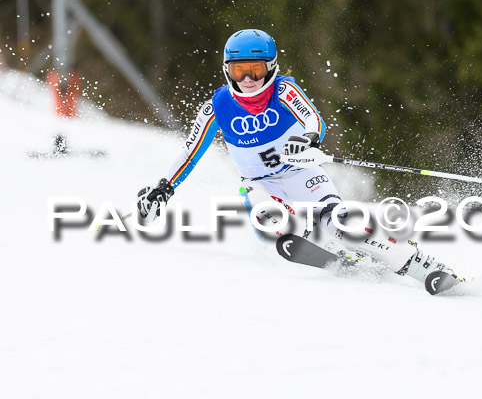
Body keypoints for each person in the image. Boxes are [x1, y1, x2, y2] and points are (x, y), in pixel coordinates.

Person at [136, 29, 461, 293]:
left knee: (342, 222)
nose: (248, 79)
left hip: (300, 171)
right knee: (266, 211)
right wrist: (164, 188)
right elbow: (190, 152)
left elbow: (313, 120)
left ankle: (419, 264)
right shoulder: (218, 106)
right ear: (228, 71)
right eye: (239, 71)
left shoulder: (284, 90)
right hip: (259, 183)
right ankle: (310, 238)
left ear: (271, 67)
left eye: (255, 70)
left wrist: (306, 140)